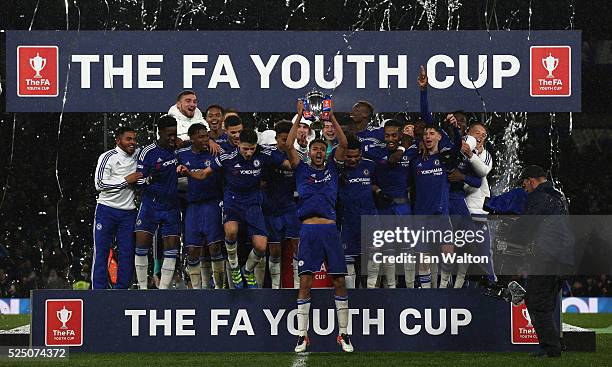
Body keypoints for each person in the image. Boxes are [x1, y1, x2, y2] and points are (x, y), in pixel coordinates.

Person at [178, 129, 291, 289]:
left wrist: (291, 151)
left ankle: (247, 270)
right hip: (232, 201)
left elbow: (290, 164)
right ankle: (234, 266)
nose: (249, 152)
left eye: (252, 148)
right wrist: (188, 172)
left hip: (253, 203)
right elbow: (203, 174)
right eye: (245, 149)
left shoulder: (264, 154)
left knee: (261, 246)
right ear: (239, 145)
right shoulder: (227, 157)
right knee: (231, 232)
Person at [286, 99, 353, 353]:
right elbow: (287, 146)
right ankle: (302, 336)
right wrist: (297, 116)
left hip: (329, 230)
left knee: (338, 281)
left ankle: (343, 334)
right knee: (305, 282)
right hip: (309, 230)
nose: (316, 151)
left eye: (320, 149)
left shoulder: (333, 169)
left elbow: (345, 144)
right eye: (313, 148)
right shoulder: (301, 169)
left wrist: (332, 117)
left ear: (324, 152)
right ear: (309, 151)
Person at [520, 165, 573, 358]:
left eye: (524, 183)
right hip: (565, 258)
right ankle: (555, 342)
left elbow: (526, 226)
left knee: (535, 300)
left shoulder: (538, 196)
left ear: (532, 181)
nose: (524, 188)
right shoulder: (559, 195)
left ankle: (550, 348)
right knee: (547, 302)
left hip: (549, 257)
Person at [362, 119, 417, 288]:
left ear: (400, 135)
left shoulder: (413, 152)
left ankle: (410, 288)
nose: (390, 138)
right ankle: (390, 288)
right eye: (387, 135)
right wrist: (377, 190)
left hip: (403, 206)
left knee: (408, 249)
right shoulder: (377, 153)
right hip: (384, 207)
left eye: (394, 135)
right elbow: (388, 163)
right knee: (387, 250)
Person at [134, 115, 181, 290]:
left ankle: (163, 290)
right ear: (159, 133)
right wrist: (149, 179)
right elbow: (137, 180)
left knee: (171, 249)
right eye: (168, 135)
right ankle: (142, 288)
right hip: (150, 206)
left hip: (171, 207)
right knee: (141, 245)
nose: (172, 138)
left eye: (174, 134)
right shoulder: (148, 152)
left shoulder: (178, 148)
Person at [92, 126, 142, 289]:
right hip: (106, 210)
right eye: (128, 139)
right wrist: (125, 180)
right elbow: (99, 184)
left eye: (134, 139)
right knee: (102, 252)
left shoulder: (138, 154)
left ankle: (122, 289)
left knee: (127, 253)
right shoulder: (107, 157)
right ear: (118, 140)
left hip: (128, 212)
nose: (132, 143)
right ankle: (98, 291)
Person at [177, 124, 225, 289]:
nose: (205, 139)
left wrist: (212, 142)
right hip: (193, 205)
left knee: (215, 247)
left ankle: (219, 288)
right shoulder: (181, 154)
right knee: (192, 250)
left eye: (207, 136)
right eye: (201, 137)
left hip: (213, 202)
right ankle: (197, 290)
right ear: (192, 138)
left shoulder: (216, 151)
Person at [261, 121, 301, 289]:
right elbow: (291, 165)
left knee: (297, 246)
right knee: (275, 251)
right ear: (276, 138)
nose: (286, 143)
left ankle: (298, 285)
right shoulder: (269, 154)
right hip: (271, 208)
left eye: (289, 139)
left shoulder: (297, 154)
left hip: (290, 207)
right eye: (283, 139)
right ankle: (276, 288)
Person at [338, 134, 378, 288]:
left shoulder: (370, 165)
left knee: (372, 260)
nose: (353, 160)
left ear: (361, 153)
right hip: (348, 221)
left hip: (370, 219)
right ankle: (352, 298)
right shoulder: (337, 168)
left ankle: (371, 295)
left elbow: (376, 184)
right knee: (348, 263)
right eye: (349, 156)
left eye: (356, 156)